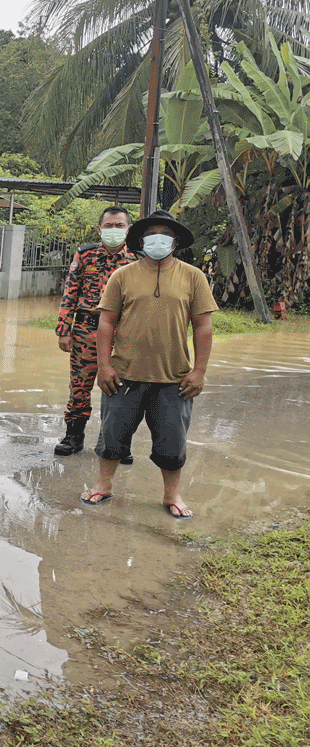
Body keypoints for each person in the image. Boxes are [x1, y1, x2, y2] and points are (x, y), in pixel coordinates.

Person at [82, 209, 217, 518]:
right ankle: (104, 485)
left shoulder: (193, 277)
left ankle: (172, 495)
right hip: (124, 375)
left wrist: (199, 372)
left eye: (166, 233)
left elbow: (203, 326)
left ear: (176, 240)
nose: (159, 239)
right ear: (141, 240)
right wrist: (104, 367)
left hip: (174, 379)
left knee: (172, 443)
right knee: (112, 436)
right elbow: (106, 324)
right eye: (152, 233)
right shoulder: (122, 276)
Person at [54, 206, 136, 457]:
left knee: (121, 389)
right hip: (87, 330)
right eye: (109, 226)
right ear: (99, 229)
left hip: (124, 334)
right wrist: (63, 330)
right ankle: (73, 436)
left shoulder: (137, 258)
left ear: (128, 229)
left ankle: (117, 443)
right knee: (79, 386)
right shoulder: (85, 255)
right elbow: (70, 291)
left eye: (119, 226)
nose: (114, 230)